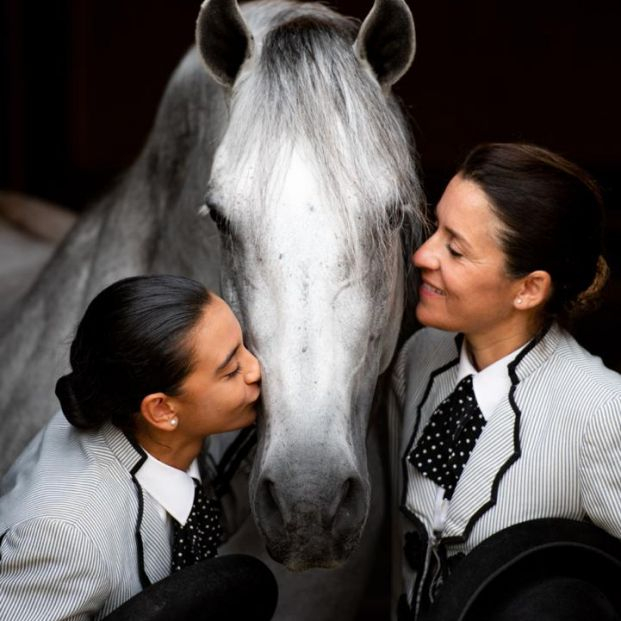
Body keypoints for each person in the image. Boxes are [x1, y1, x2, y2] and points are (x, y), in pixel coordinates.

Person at [389, 143, 621, 620]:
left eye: (455, 248)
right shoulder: (417, 358)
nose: (422, 255)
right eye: (436, 228)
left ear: (529, 288)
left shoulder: (602, 409)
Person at [0, 275, 277, 621]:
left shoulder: (139, 412)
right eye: (233, 369)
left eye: (245, 345)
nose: (257, 369)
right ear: (161, 410)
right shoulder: (65, 542)